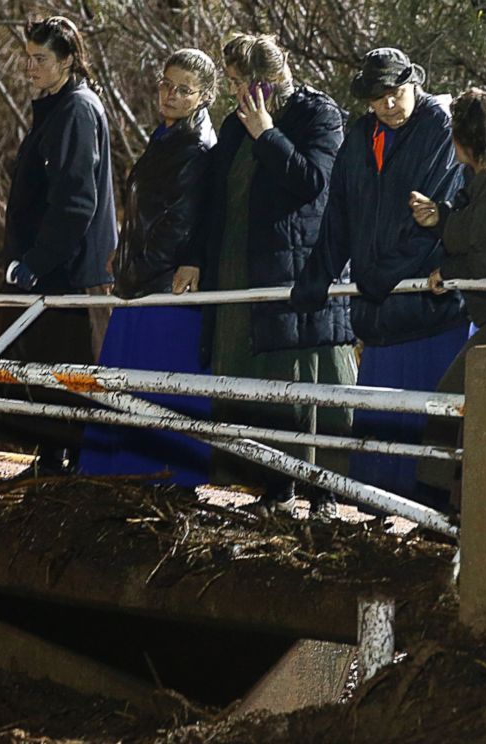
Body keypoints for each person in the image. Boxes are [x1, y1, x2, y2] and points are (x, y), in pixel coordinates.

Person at [292, 47, 467, 502]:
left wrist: (381, 275)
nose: (388, 105)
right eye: (378, 97)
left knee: (433, 424)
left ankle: (431, 511)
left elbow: (434, 218)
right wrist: (319, 273)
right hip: (378, 308)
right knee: (379, 430)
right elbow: (340, 213)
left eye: (395, 93)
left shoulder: (441, 128)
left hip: (429, 308)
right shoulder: (361, 134)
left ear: (414, 84)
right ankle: (374, 509)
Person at [194, 33, 356, 516]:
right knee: (254, 382)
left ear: (265, 82)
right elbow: (216, 199)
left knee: (310, 383)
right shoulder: (232, 123)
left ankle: (323, 496)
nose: (234, 89)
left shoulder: (318, 116)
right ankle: (274, 489)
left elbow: (313, 183)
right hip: (241, 271)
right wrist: (196, 259)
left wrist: (268, 133)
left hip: (300, 273)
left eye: (241, 80)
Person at [77, 49, 217, 485]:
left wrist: (136, 270)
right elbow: (149, 211)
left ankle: (164, 478)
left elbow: (181, 223)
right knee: (126, 387)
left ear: (205, 96)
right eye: (165, 84)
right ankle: (119, 474)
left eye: (183, 89)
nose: (170, 95)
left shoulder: (195, 147)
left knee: (160, 389)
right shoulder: (167, 137)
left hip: (164, 290)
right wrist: (124, 253)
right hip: (141, 281)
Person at [0, 16, 116, 492]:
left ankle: (72, 467)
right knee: (46, 372)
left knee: (71, 372)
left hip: (69, 273)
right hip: (55, 270)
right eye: (27, 57)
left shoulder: (77, 111)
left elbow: (75, 200)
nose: (29, 67)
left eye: (40, 59)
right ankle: (53, 459)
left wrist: (37, 262)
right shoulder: (57, 108)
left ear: (67, 60)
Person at [408, 88, 486, 508]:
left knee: (451, 402)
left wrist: (449, 273)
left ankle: (441, 501)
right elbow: (473, 227)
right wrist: (441, 216)